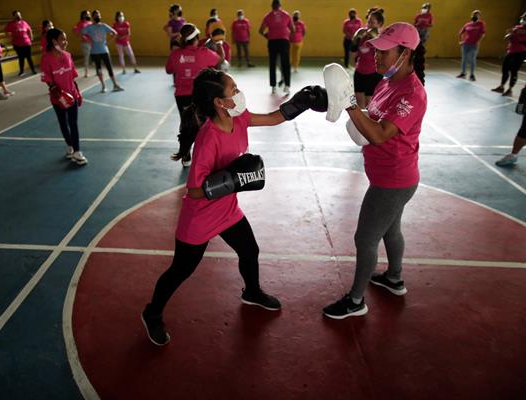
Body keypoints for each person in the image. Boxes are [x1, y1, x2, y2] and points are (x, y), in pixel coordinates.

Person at [141, 68, 329, 345]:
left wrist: (300, 104)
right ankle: (152, 313)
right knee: (181, 270)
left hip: (227, 210)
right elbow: (194, 190)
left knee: (249, 250)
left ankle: (251, 292)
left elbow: (272, 118)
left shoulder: (238, 117)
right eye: (233, 89)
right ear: (220, 102)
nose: (239, 93)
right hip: (201, 217)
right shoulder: (208, 138)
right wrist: (232, 179)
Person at [322, 23, 427, 319]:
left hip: (393, 180)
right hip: (387, 175)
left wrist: (349, 104)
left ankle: (355, 301)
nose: (376, 56)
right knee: (391, 229)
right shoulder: (387, 82)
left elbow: (380, 134)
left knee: (365, 238)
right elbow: (371, 117)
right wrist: (334, 103)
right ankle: (394, 279)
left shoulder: (412, 94)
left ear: (405, 53)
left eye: (383, 51)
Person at [166, 23, 224, 167]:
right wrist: (219, 44)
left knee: (185, 124)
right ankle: (206, 156)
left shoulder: (176, 54)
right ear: (196, 38)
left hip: (181, 95)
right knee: (204, 124)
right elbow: (220, 60)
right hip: (199, 95)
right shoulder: (204, 53)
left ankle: (186, 157)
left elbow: (168, 70)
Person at [40, 28, 86, 165]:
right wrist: (59, 95)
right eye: (63, 39)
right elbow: (48, 80)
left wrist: (77, 93)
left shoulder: (67, 55)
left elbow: (72, 77)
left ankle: (77, 152)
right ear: (54, 41)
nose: (66, 42)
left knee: (73, 123)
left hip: (72, 95)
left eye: (65, 39)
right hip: (57, 98)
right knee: (63, 122)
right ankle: (70, 145)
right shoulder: (46, 58)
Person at [82, 10, 123, 93]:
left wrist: (108, 42)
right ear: (93, 17)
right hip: (95, 52)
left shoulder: (104, 26)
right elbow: (81, 33)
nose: (97, 17)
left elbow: (115, 33)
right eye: (96, 15)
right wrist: (88, 40)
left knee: (109, 68)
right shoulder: (89, 27)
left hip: (104, 50)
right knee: (99, 69)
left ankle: (115, 85)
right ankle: (103, 86)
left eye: (98, 15)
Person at [259, 0, 295, 95]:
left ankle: (273, 87)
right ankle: (287, 86)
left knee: (272, 63)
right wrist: (286, 35)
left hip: (272, 42)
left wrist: (268, 36)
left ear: (272, 6)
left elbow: (261, 30)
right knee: (286, 64)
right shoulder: (286, 15)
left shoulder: (268, 16)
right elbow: (293, 29)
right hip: (284, 41)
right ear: (280, 6)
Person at [352, 9, 384, 109]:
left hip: (373, 73)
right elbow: (354, 51)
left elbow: (384, 54)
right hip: (360, 71)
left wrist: (376, 39)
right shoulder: (363, 34)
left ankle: (370, 124)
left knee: (369, 104)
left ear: (379, 24)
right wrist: (356, 39)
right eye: (368, 21)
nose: (368, 24)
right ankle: (360, 124)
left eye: (372, 22)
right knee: (359, 103)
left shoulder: (382, 37)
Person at [491, 14, 526, 97]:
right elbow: (508, 36)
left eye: (524, 18)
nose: (522, 19)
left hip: (520, 52)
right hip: (511, 51)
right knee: (505, 69)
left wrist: (517, 34)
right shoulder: (517, 27)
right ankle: (501, 87)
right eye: (522, 18)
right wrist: (509, 35)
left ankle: (510, 90)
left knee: (514, 71)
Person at [5, 10, 36, 77]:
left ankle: (33, 70)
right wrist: (11, 37)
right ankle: (21, 71)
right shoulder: (10, 24)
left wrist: (31, 38)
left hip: (27, 43)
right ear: (14, 16)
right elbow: (7, 32)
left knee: (29, 57)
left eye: (19, 15)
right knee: (21, 58)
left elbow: (29, 30)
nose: (19, 16)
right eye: (17, 15)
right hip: (17, 44)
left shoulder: (24, 22)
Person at [457, 10, 486, 82]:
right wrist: (461, 41)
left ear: (479, 16)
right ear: (472, 15)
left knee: (472, 59)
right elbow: (460, 33)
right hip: (466, 44)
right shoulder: (467, 24)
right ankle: (463, 73)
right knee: (464, 59)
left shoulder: (481, 24)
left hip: (474, 44)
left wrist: (478, 41)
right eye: (474, 14)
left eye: (477, 14)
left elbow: (482, 34)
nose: (475, 15)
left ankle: (472, 74)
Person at [73, 10, 92, 78]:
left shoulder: (90, 22)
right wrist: (83, 36)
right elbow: (75, 30)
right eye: (87, 14)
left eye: (89, 14)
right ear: (83, 15)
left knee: (96, 56)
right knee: (86, 57)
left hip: (93, 43)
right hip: (85, 43)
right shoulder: (80, 23)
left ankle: (98, 71)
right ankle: (86, 72)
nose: (88, 15)